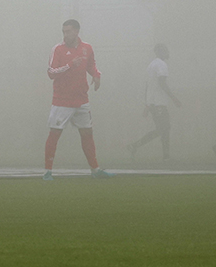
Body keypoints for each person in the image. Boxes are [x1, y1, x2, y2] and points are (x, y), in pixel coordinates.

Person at [43, 19, 113, 180]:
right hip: (62, 101)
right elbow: (51, 72)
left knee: (87, 133)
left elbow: (91, 65)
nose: (65, 35)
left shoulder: (86, 48)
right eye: (64, 32)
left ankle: (95, 170)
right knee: (54, 134)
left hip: (81, 99)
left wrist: (96, 75)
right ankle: (47, 171)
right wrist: (70, 65)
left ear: (76, 31)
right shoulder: (58, 49)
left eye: (68, 31)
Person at [128, 44, 181, 160]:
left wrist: (147, 104)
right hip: (159, 103)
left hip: (154, 103)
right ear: (160, 52)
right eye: (166, 50)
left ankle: (137, 146)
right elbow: (162, 83)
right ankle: (165, 156)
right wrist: (174, 98)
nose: (168, 52)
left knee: (163, 128)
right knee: (164, 128)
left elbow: (148, 86)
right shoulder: (161, 64)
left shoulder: (151, 65)